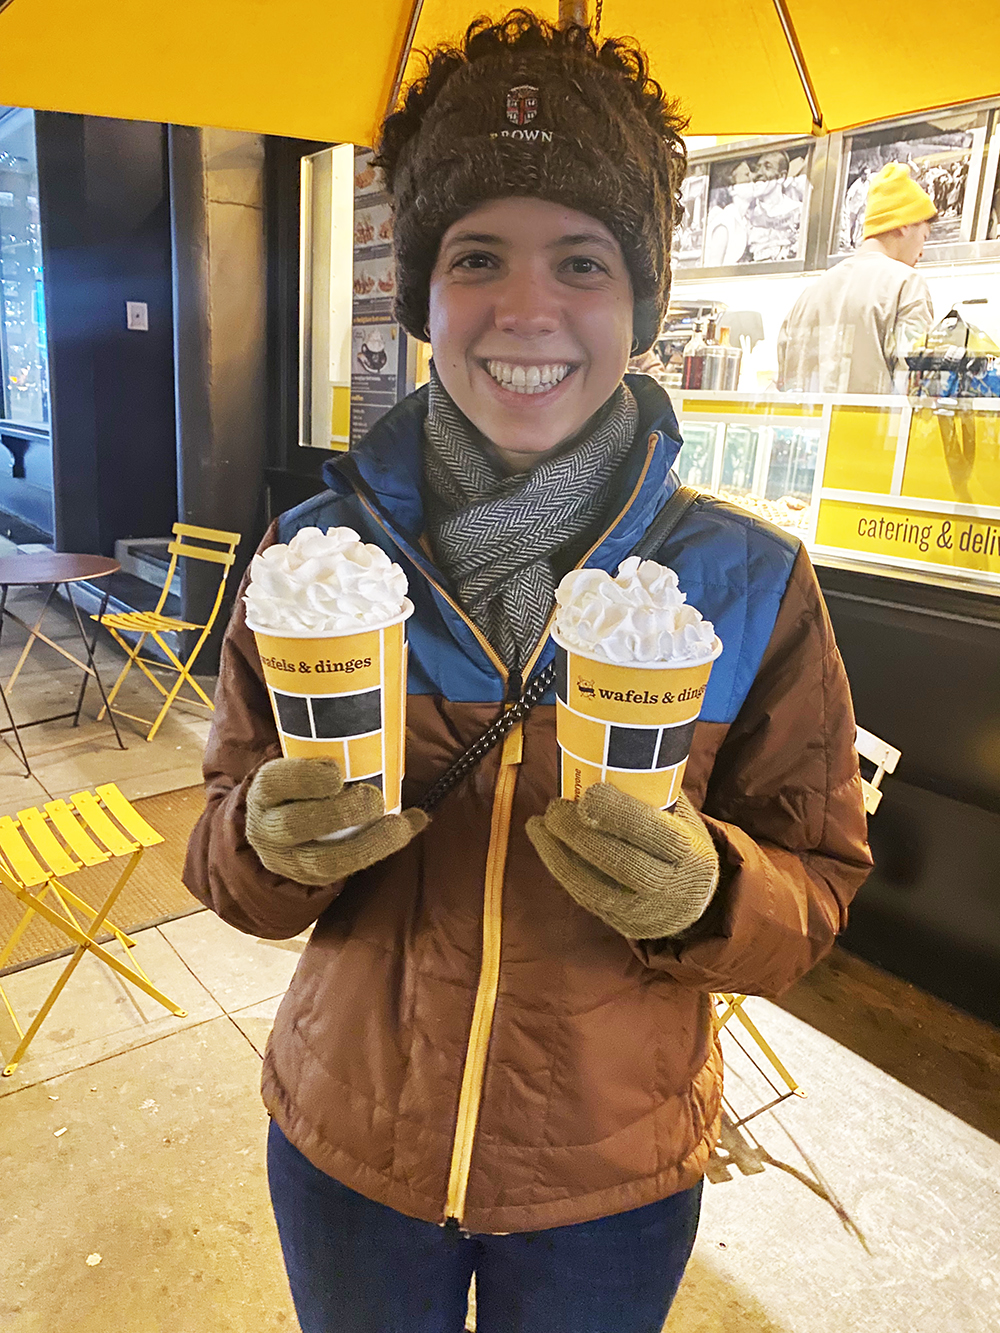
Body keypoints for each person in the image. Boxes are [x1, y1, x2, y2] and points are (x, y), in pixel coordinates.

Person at [184, 13, 872, 1332]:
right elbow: (219, 853)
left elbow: (821, 889)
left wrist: (714, 889)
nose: (527, 309)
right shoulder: (312, 558)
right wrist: (264, 843)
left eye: (584, 260)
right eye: (479, 255)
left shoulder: (750, 582)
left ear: (644, 304)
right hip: (348, 1154)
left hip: (605, 1187)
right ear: (426, 289)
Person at [777, 161, 936, 395]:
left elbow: (784, 382)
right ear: (903, 225)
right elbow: (914, 384)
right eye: (924, 236)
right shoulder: (906, 284)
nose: (922, 251)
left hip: (806, 430)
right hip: (872, 431)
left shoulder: (809, 295)